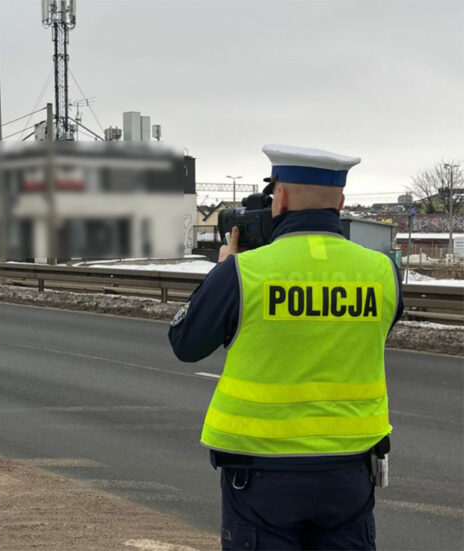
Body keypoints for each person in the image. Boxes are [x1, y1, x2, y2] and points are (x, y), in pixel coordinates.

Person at [169, 144, 403, 551]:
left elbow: (186, 344)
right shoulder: (383, 272)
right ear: (341, 201)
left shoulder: (244, 273)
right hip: (350, 470)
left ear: (280, 197)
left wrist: (225, 268)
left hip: (262, 474)